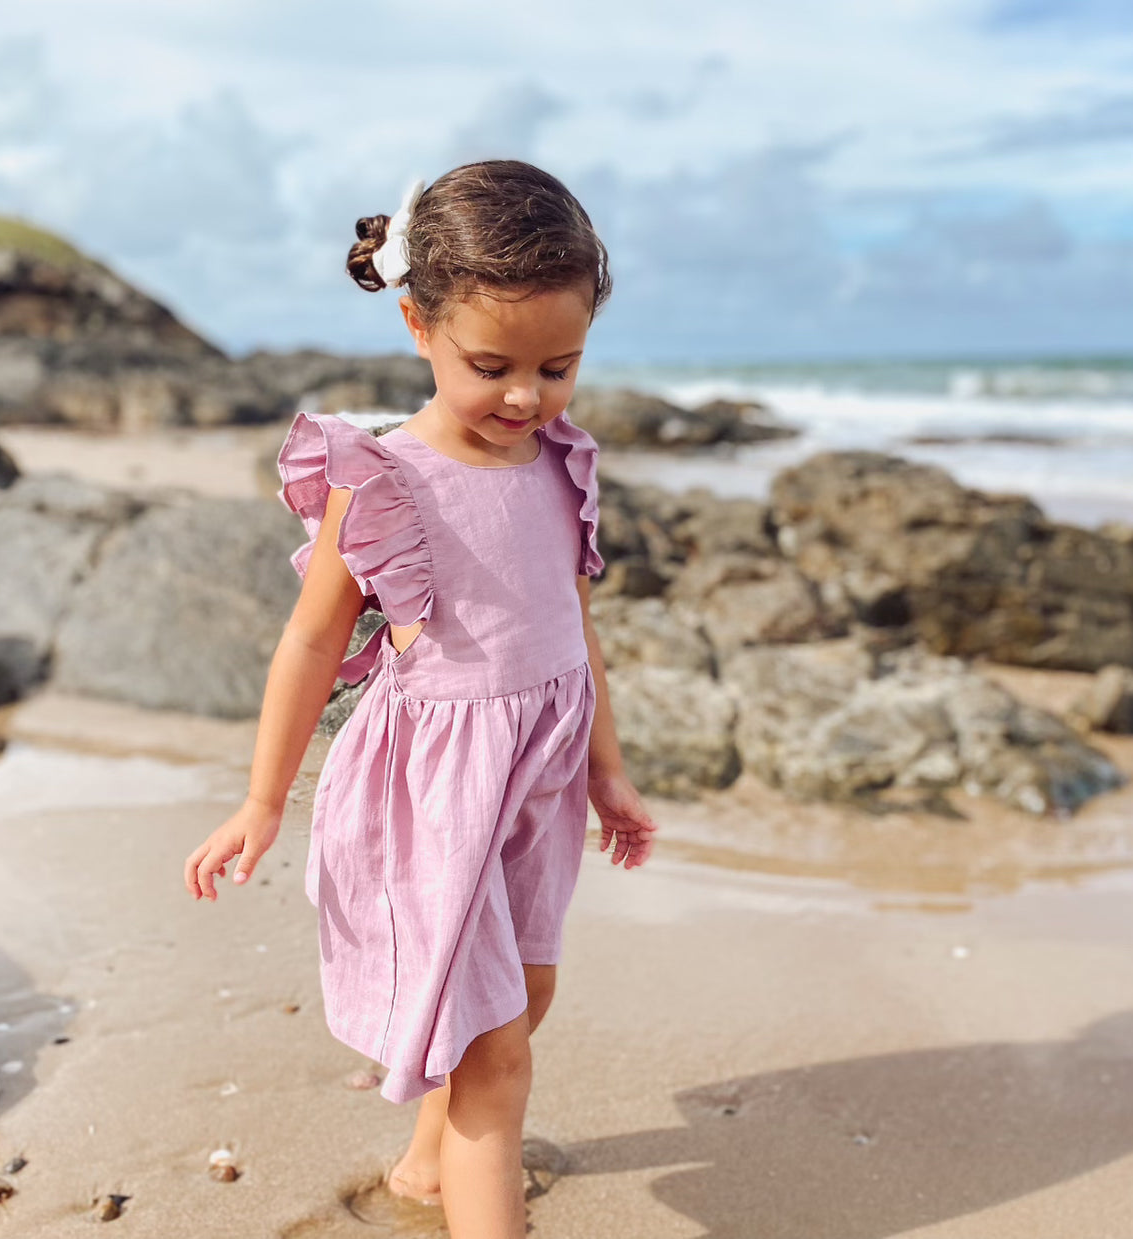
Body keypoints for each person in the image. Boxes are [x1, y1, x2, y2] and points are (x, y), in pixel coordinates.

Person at [182, 159, 658, 1238]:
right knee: (495, 1051)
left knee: (523, 998)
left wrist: (608, 773)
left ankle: (422, 1168)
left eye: (559, 365)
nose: (526, 396)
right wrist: (262, 803)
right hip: (430, 787)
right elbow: (310, 641)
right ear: (415, 325)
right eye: (490, 365)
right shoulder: (383, 479)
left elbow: (570, 627)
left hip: (538, 772)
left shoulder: (555, 463)